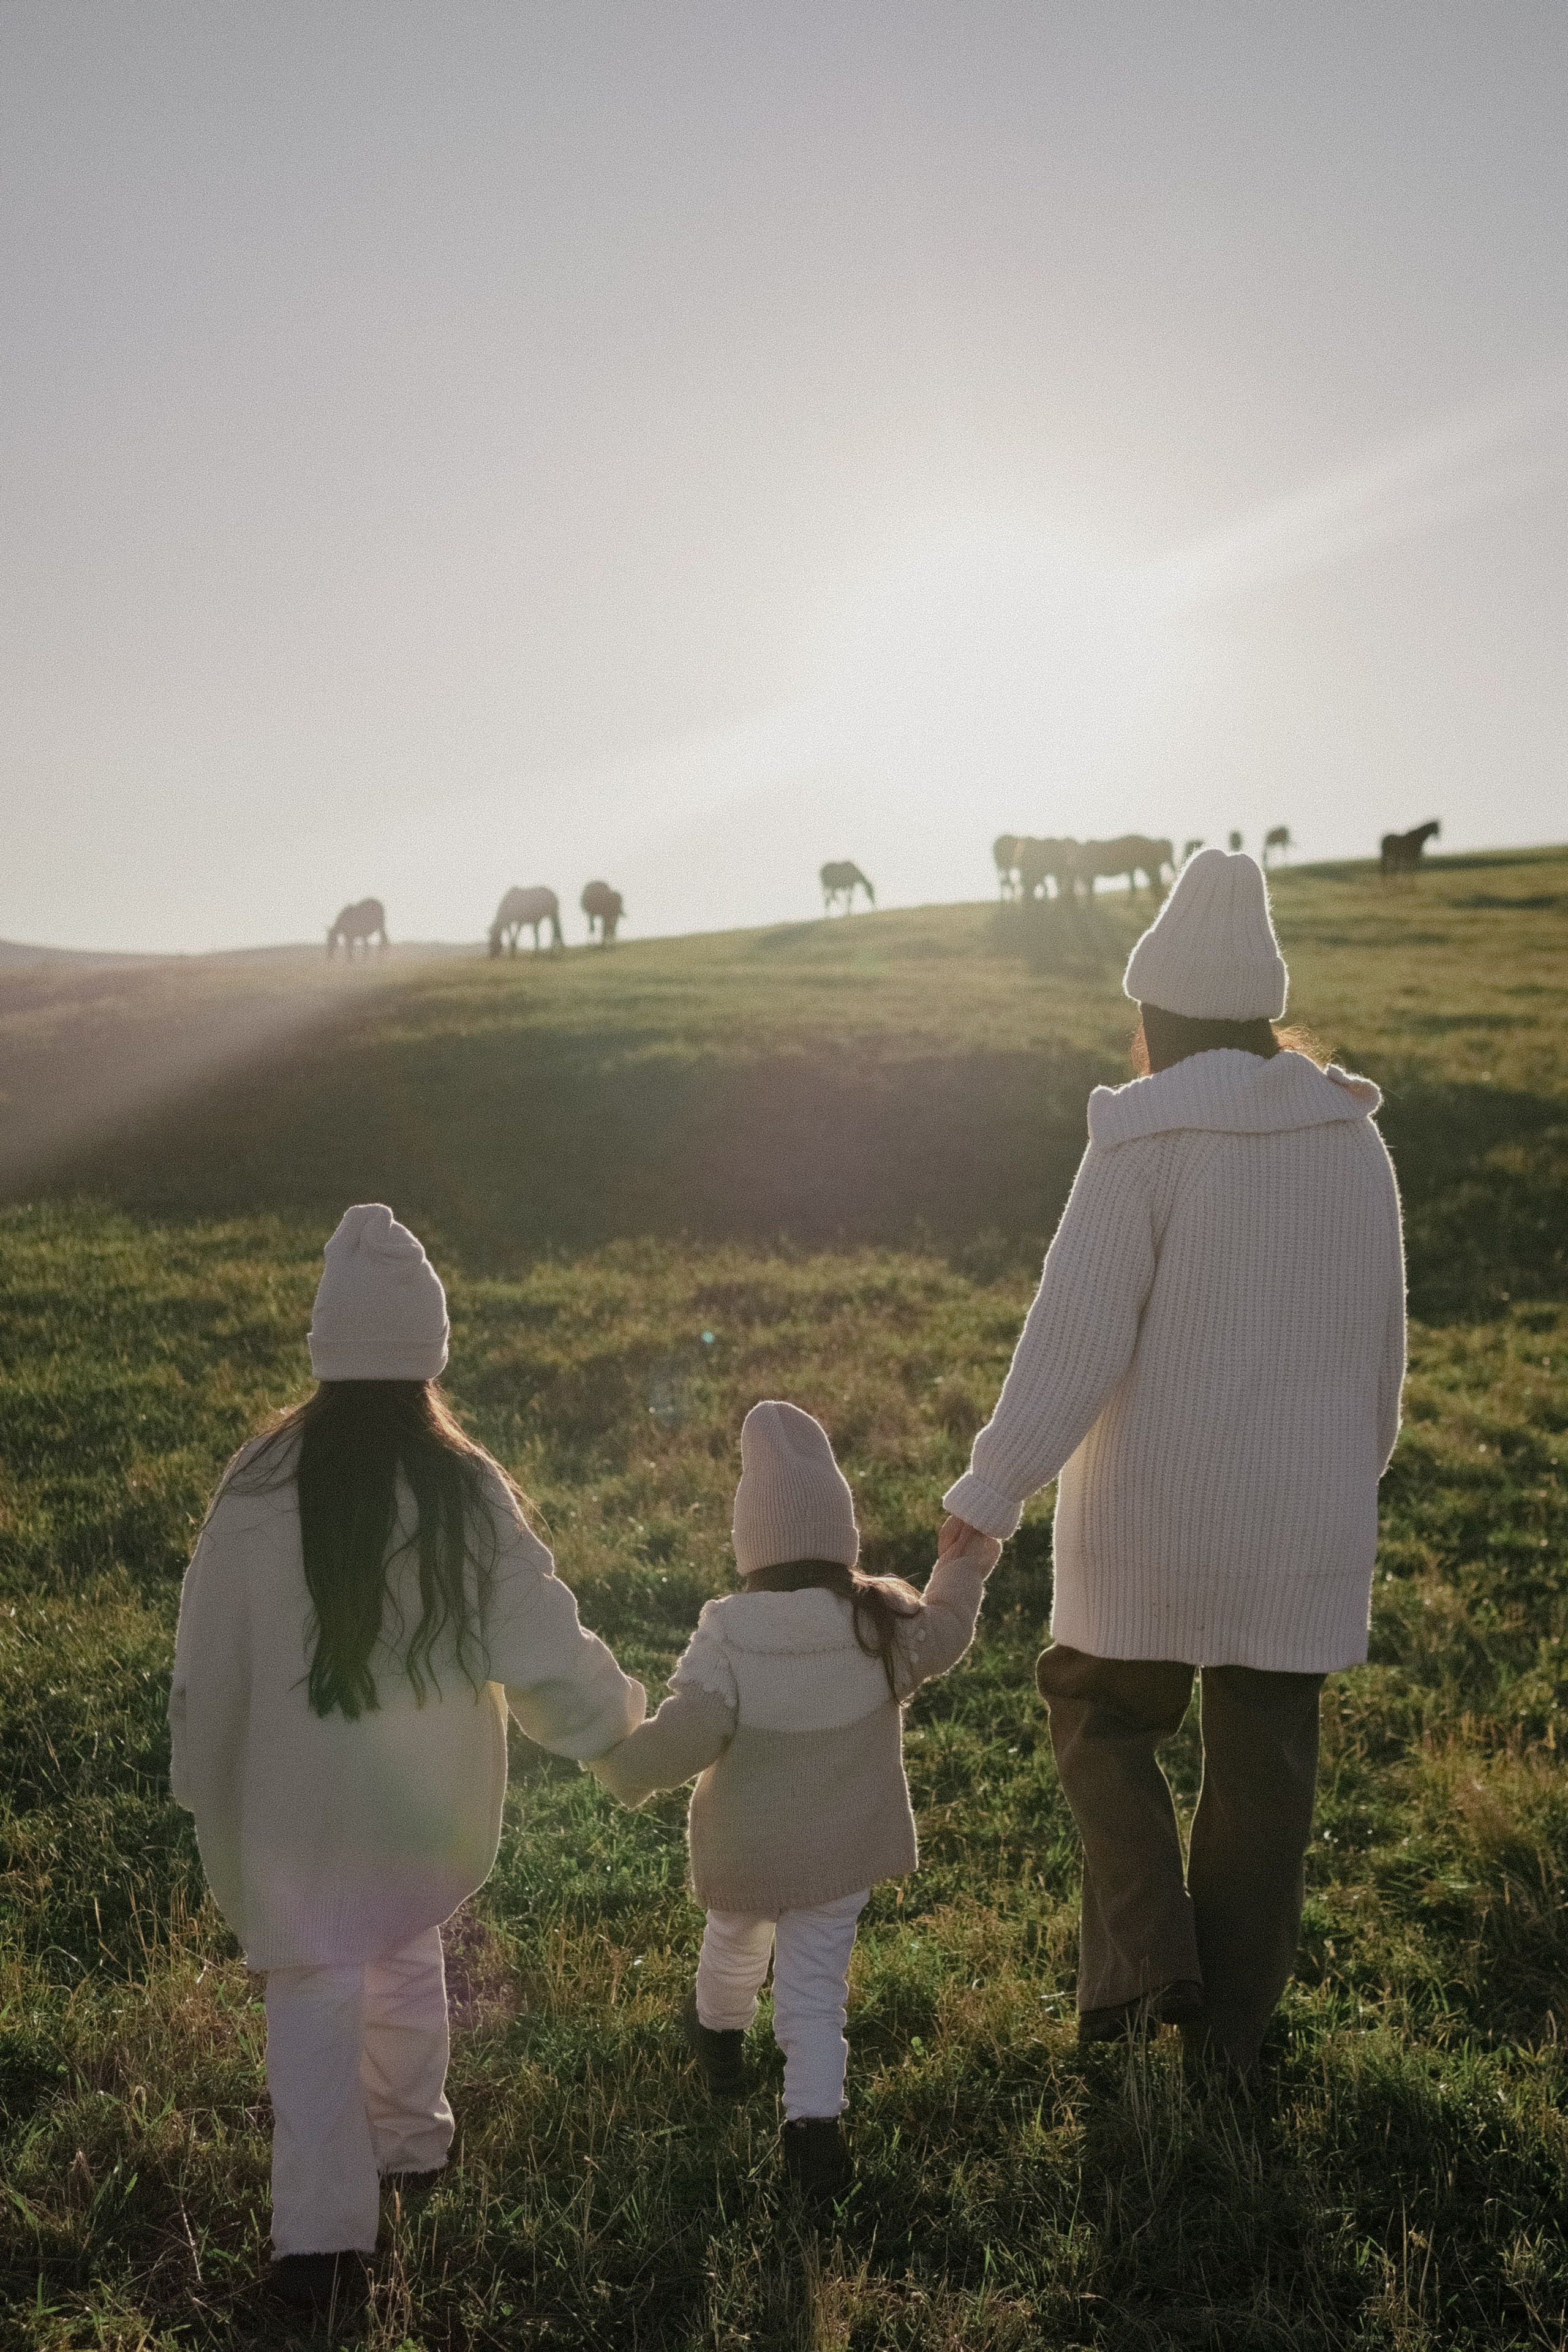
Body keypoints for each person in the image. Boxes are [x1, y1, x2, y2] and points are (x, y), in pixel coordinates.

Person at [940, 849, 1406, 2071]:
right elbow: (1380, 1348)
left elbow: (1071, 1341)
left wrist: (990, 1490)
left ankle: (1148, 1971)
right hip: (1302, 1515)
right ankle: (1230, 2041)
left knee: (1096, 1709)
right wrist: (1339, 1487)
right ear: (1256, 1008)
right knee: (1264, 1774)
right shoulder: (1352, 1141)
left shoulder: (1141, 1137)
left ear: (1152, 1009)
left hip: (1151, 1512)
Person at [168, 1204, 644, 2308]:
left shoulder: (257, 1482)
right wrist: (617, 1727)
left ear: (327, 1349)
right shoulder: (461, 1488)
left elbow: (211, 1650)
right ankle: (412, 2144)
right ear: (427, 1356)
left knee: (320, 1994)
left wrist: (205, 1777)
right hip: (416, 1805)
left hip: (295, 1805)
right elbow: (542, 1640)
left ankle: (324, 2242)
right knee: (405, 1944)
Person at [590, 1400, 1001, 2201]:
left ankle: (718, 2040)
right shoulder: (878, 1619)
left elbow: (692, 1729)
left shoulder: (730, 1630)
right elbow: (946, 1633)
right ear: (840, 1534)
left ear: (752, 1546)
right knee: (815, 1999)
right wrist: (962, 1566)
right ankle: (813, 2134)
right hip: (839, 1854)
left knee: (733, 1945)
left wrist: (622, 1766)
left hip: (748, 1850)